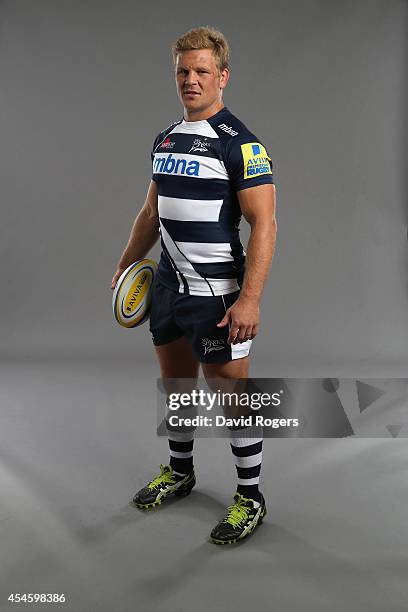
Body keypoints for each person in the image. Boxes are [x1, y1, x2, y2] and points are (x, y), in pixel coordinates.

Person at [111, 26, 277, 544]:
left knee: (231, 395)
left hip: (218, 293)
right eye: (183, 71)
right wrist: (125, 264)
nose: (191, 80)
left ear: (222, 77)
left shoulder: (242, 145)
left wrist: (249, 298)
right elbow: (149, 212)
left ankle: (250, 496)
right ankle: (180, 472)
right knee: (178, 387)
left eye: (202, 71)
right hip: (167, 286)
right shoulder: (166, 139)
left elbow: (266, 225)